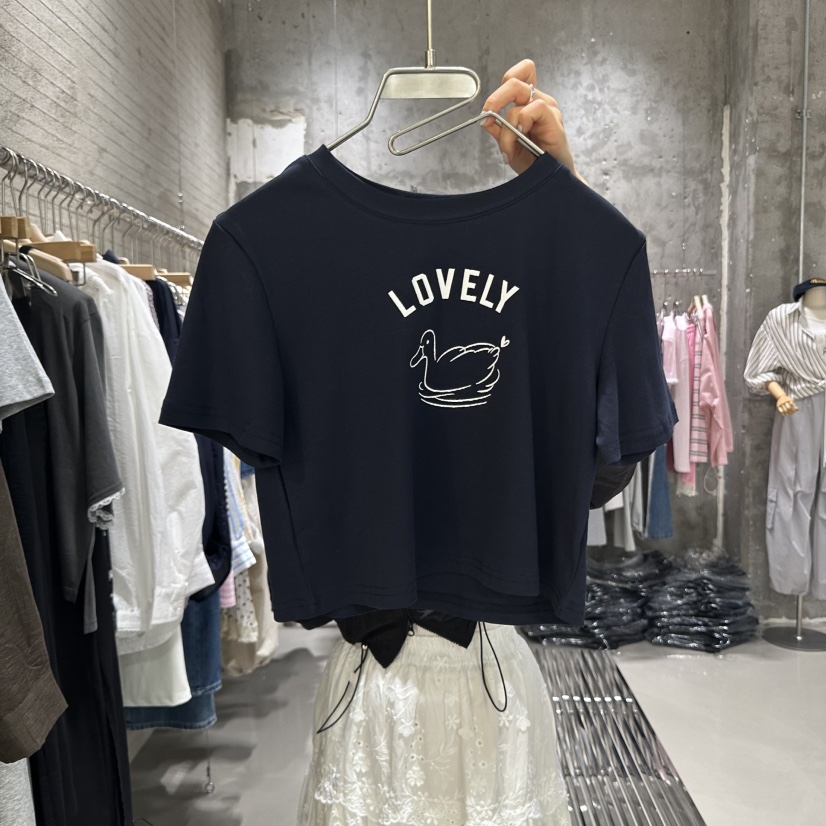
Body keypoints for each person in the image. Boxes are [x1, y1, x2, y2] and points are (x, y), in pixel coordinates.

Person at [297, 59, 617, 826]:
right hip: (379, 688)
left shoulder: (525, 349)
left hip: (481, 678)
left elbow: (600, 461)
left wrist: (564, 196)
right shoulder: (306, 317)